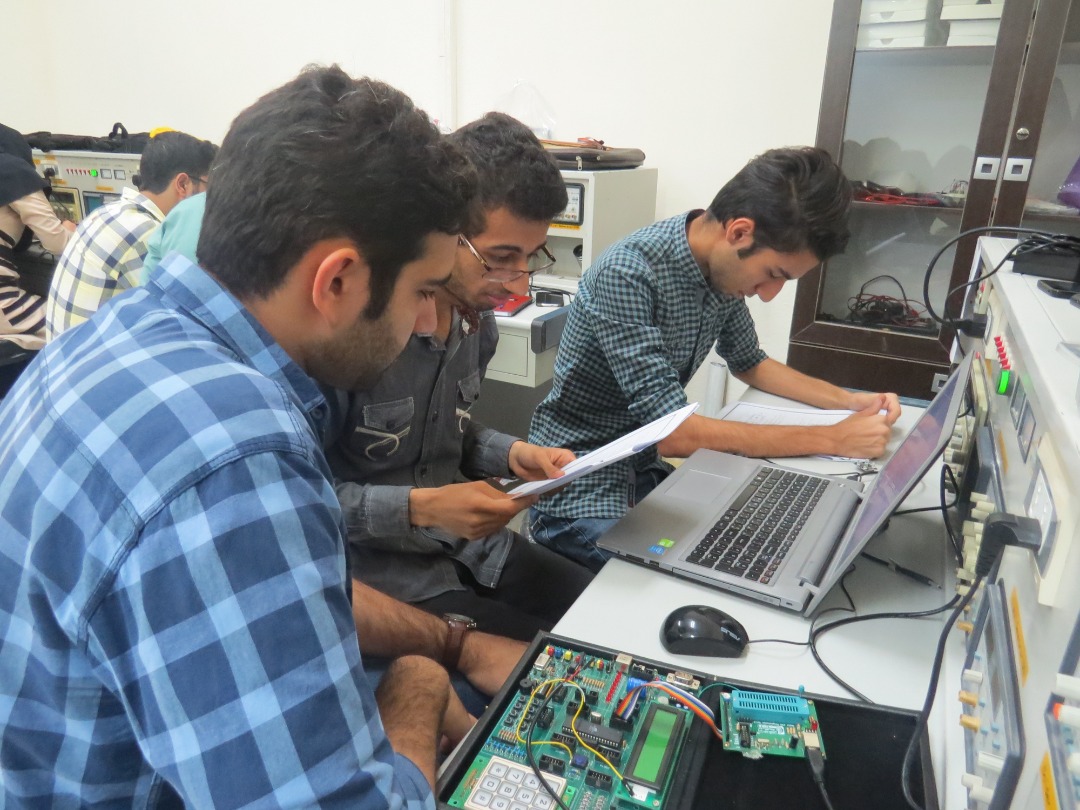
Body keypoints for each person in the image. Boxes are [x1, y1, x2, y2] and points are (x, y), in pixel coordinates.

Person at [0, 65, 484, 806]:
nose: (426, 320)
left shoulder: (117, 335)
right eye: (423, 290)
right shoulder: (235, 455)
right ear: (337, 280)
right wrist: (420, 683)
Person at [528, 146, 902, 571]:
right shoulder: (629, 273)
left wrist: (850, 402)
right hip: (578, 492)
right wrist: (833, 440)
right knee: (706, 581)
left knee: (763, 548)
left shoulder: (716, 270)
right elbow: (675, 435)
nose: (769, 294)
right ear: (739, 232)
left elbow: (750, 362)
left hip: (643, 473)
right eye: (773, 274)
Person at [327, 112, 595, 647]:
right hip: (385, 578)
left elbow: (445, 428)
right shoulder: (357, 340)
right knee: (546, 659)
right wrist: (422, 507)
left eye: (531, 258)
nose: (518, 284)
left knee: (599, 610)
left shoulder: (478, 324)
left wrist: (512, 453)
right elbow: (302, 507)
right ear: (444, 232)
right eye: (500, 258)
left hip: (470, 548)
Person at [45, 129, 217, 337]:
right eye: (209, 187)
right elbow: (181, 320)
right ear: (183, 184)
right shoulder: (146, 232)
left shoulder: (106, 213)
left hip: (67, 352)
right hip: (96, 356)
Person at [0, 122, 75, 351]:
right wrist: (69, 230)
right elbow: (58, 243)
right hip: (5, 309)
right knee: (80, 328)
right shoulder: (12, 170)